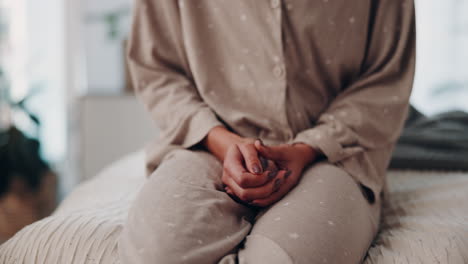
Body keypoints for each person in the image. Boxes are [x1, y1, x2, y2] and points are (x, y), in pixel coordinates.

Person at [118, 0, 416, 263]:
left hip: (333, 155)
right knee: (155, 254)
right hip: (204, 147)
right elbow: (158, 71)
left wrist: (307, 148)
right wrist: (222, 140)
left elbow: (386, 76)